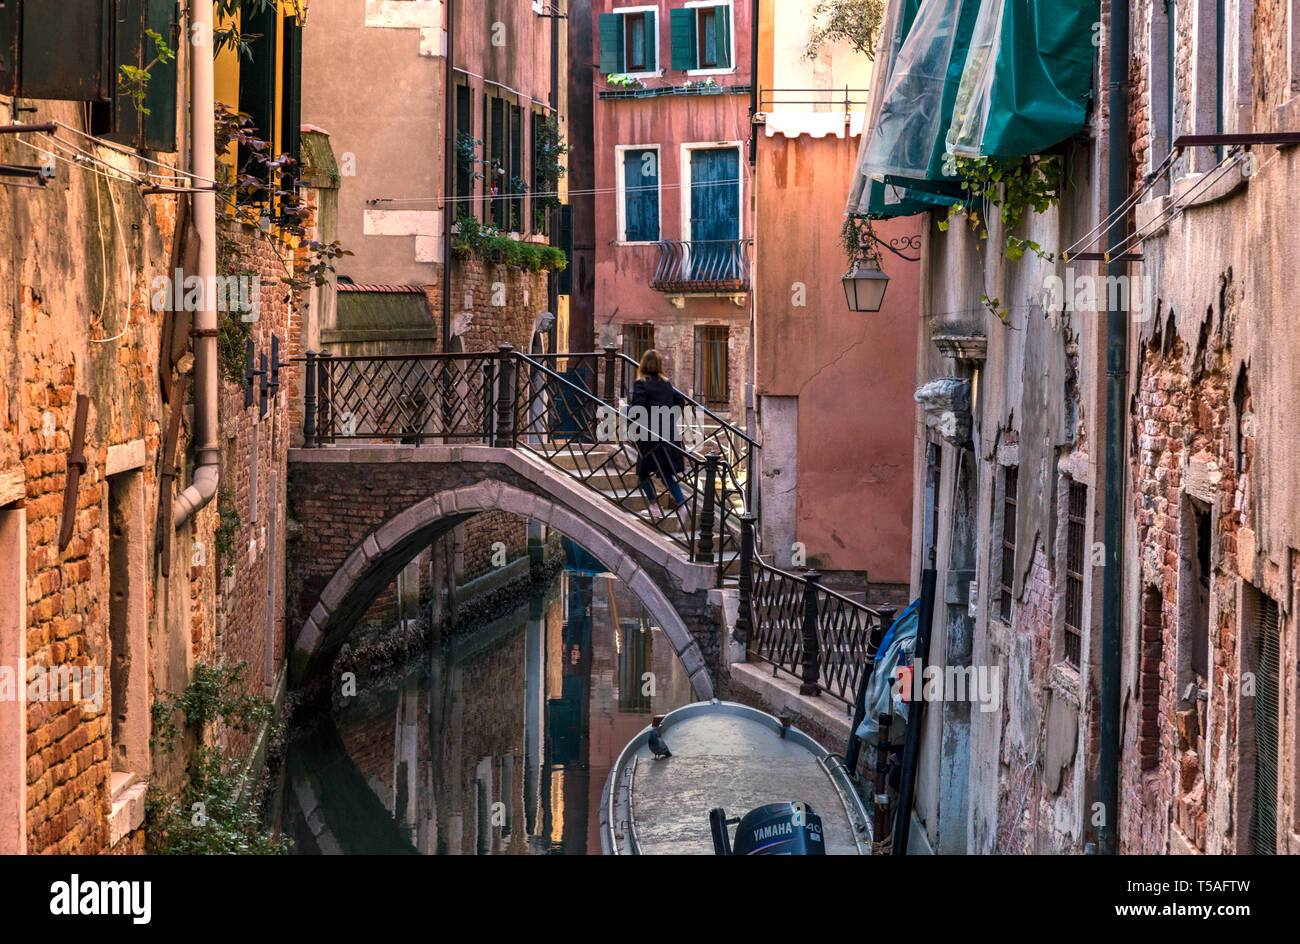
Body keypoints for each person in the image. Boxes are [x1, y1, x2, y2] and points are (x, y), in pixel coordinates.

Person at [629, 349, 689, 522]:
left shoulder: (641, 383)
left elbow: (639, 408)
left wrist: (625, 409)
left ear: (643, 364)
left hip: (649, 435)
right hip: (668, 434)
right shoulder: (666, 383)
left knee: (643, 472)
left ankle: (654, 506)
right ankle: (682, 504)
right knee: (665, 473)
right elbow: (680, 401)